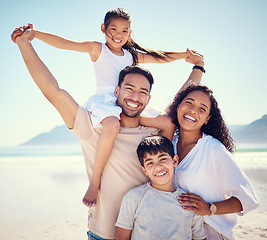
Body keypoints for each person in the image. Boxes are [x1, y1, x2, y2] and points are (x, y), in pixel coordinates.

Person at [11, 25, 205, 240]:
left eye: (143, 92)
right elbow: (53, 92)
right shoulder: (95, 127)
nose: (135, 96)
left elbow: (181, 102)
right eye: (129, 88)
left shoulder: (154, 134)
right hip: (102, 234)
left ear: (148, 99)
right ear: (116, 91)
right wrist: (24, 43)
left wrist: (199, 67)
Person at [22, 8, 189, 207]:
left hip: (130, 103)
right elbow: (66, 44)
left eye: (124, 31)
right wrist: (35, 34)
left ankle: (161, 171)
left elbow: (160, 57)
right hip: (107, 103)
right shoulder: (98, 49)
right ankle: (94, 181)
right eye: (113, 29)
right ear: (103, 28)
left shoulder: (131, 55)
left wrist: (186, 56)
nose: (118, 35)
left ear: (130, 33)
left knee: (167, 123)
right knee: (111, 126)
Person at [143, 84, 259, 239]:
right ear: (178, 107)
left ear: (207, 119)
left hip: (211, 233)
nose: (193, 110)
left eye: (202, 109)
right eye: (188, 103)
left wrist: (210, 208)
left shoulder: (213, 150)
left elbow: (248, 199)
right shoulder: (168, 146)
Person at [115, 135, 207, 240]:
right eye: (150, 163)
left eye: (163, 159)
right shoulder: (134, 198)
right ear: (144, 170)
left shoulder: (189, 202)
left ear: (175, 161)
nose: (158, 166)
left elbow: (200, 238)